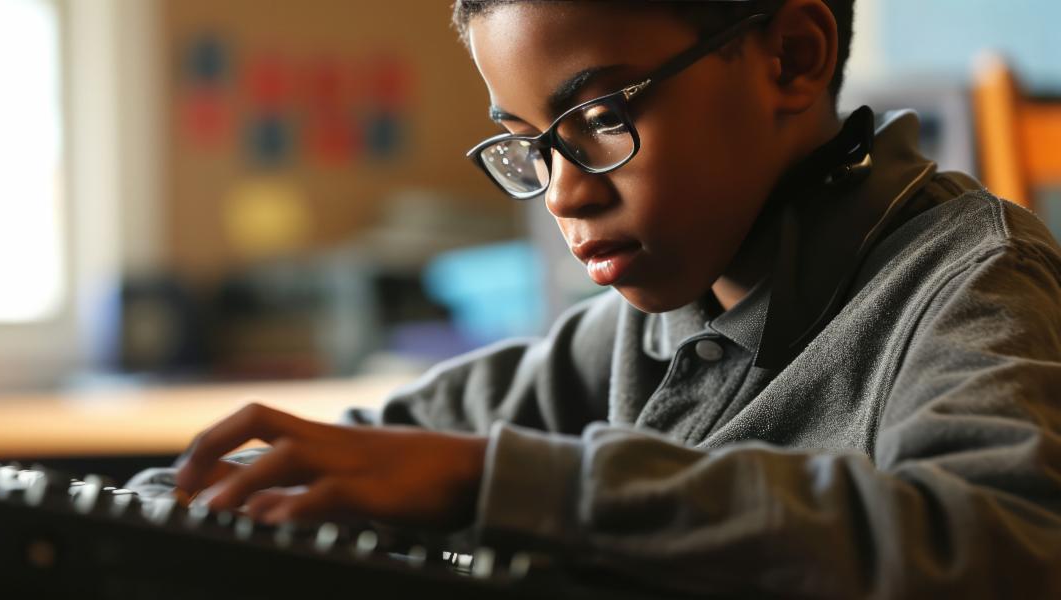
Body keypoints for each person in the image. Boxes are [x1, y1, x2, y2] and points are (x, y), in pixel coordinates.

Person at [171, 0, 1061, 595]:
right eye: (528, 145)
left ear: (791, 58)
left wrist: (494, 480)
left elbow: (1000, 544)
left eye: (599, 120)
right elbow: (368, 457)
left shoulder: (973, 279)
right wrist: (159, 508)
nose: (562, 193)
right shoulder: (631, 333)